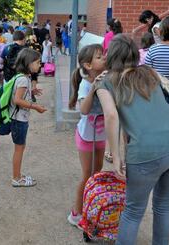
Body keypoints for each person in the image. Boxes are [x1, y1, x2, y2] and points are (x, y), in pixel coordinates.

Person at [95, 34, 169, 244]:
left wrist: (116, 156)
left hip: (146, 153)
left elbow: (111, 116)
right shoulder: (150, 72)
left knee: (133, 211)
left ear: (110, 55)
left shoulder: (106, 82)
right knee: (163, 205)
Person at [67, 44, 106, 227]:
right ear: (88, 65)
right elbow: (83, 110)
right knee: (87, 175)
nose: (104, 58)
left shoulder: (106, 79)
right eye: (99, 57)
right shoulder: (85, 84)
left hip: (101, 135)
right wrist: (93, 89)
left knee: (97, 173)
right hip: (86, 136)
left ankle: (91, 207)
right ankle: (76, 213)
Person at [9, 48, 47, 187]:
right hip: (19, 119)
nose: (39, 65)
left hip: (19, 119)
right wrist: (35, 106)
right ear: (28, 63)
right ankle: (16, 178)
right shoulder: (24, 80)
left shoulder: (22, 77)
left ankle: (17, 174)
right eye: (37, 62)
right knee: (19, 149)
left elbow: (20, 96)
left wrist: (32, 92)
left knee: (20, 147)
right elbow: (17, 100)